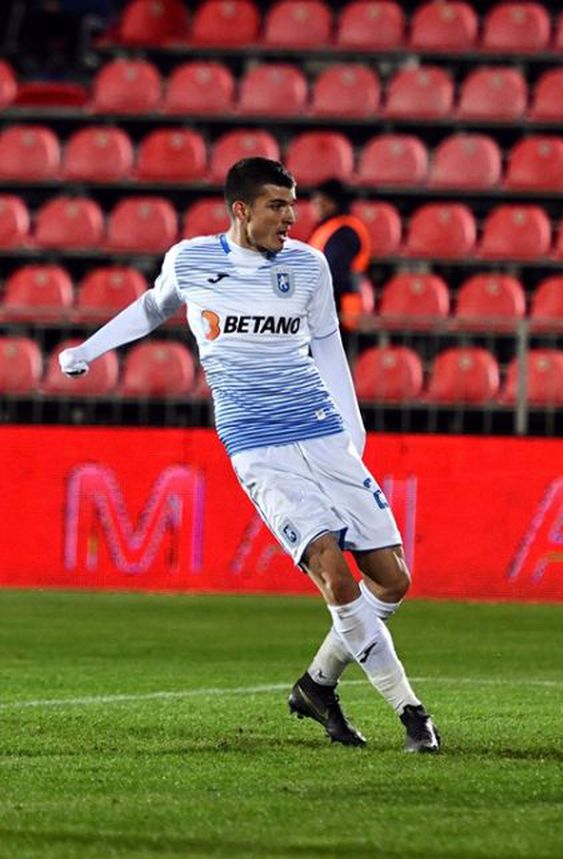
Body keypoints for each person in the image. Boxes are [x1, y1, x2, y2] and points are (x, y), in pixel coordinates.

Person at [57, 158, 440, 753]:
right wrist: (90, 347)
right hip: (258, 444)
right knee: (333, 572)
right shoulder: (191, 259)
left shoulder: (310, 267)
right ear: (242, 209)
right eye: (277, 206)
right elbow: (155, 307)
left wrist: (352, 435)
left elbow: (329, 347)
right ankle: (412, 714)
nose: (292, 217)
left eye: (293, 204)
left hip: (320, 431)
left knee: (392, 580)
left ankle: (318, 685)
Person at [308, 178, 373, 332]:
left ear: (332, 203)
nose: (315, 207)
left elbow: (334, 271)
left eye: (320, 202)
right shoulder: (328, 228)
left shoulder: (345, 231)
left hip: (340, 307)